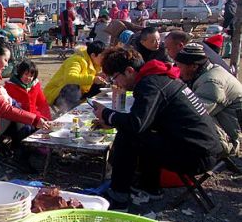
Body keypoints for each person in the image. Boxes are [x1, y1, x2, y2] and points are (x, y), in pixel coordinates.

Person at [93, 47, 222, 208]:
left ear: (129, 71)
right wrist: (113, 121)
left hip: (196, 156)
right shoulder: (159, 77)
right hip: (204, 148)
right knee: (141, 134)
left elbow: (136, 124)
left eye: (115, 78)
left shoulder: (150, 84)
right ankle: (149, 187)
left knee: (128, 136)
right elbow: (147, 121)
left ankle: (118, 197)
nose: (116, 84)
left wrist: (107, 114)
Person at [174, 43, 242, 156]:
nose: (178, 70)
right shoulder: (206, 73)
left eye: (180, 66)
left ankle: (219, 150)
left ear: (194, 66)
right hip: (227, 123)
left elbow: (194, 113)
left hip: (231, 136)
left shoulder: (211, 82)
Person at [43, 40, 108, 114]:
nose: (105, 59)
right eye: (103, 56)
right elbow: (70, 78)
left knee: (101, 84)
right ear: (93, 55)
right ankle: (73, 112)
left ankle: (94, 107)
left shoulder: (95, 64)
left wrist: (98, 76)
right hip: (56, 93)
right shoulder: (76, 60)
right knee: (73, 86)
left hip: (80, 93)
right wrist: (93, 78)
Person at [163, 30, 232, 74]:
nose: (167, 53)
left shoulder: (193, 56)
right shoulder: (200, 46)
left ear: (180, 45)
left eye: (168, 49)